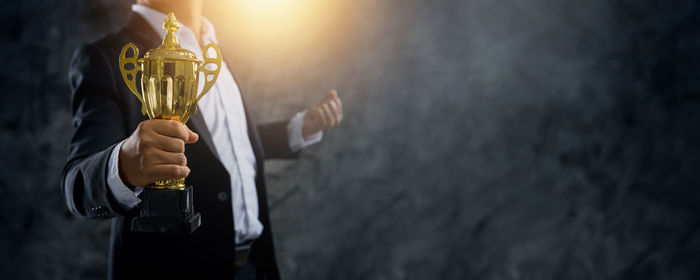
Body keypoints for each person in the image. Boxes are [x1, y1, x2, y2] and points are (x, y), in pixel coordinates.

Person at [61, 0, 343, 279]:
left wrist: (297, 130)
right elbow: (77, 185)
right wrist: (123, 166)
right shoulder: (106, 56)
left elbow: (223, 147)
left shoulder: (212, 47)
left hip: (256, 265)